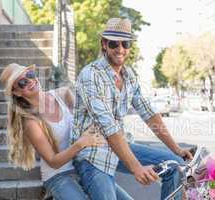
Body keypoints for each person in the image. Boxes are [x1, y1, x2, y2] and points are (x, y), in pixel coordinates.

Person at [71, 18, 193, 200]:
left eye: (125, 43)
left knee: (174, 165)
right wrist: (136, 167)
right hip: (92, 154)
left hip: (119, 147)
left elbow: (150, 115)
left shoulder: (129, 76)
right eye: (114, 43)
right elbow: (108, 126)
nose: (120, 49)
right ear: (104, 44)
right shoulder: (91, 75)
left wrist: (176, 150)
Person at [0, 63, 106, 200]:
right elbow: (53, 161)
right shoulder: (31, 122)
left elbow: (86, 120)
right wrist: (80, 144)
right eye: (22, 82)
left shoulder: (62, 94)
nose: (30, 81)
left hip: (83, 164)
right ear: (17, 92)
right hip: (58, 175)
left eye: (30, 75)